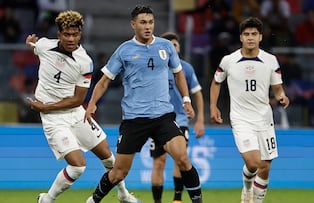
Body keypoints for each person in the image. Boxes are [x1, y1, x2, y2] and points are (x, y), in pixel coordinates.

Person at [84, 5, 203, 203]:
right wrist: (91, 103)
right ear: (133, 25)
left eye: (150, 22)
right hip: (134, 119)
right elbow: (104, 80)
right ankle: (93, 200)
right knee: (118, 173)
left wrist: (186, 99)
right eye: (143, 23)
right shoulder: (124, 50)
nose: (148, 26)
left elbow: (178, 73)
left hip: (163, 117)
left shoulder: (165, 46)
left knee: (182, 158)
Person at [24, 10, 139, 203]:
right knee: (77, 167)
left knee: (110, 159)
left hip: (75, 113)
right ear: (59, 34)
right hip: (54, 120)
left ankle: (123, 195)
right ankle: (47, 199)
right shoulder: (44, 46)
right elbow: (35, 46)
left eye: (75, 34)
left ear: (80, 34)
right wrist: (30, 44)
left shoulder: (84, 62)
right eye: (67, 34)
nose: (71, 39)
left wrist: (45, 107)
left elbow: (78, 100)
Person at [209, 17, 289, 203]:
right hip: (240, 118)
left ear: (260, 37)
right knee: (253, 163)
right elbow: (216, 82)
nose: (250, 37)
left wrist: (281, 96)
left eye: (254, 34)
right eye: (247, 34)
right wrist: (213, 106)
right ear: (241, 37)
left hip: (264, 118)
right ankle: (246, 188)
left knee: (265, 167)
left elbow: (277, 87)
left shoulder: (270, 60)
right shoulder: (229, 60)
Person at [150, 32, 205, 203]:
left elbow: (197, 92)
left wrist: (201, 119)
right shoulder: (153, 66)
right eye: (169, 44)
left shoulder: (186, 68)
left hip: (180, 120)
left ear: (179, 48)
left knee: (180, 157)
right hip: (157, 120)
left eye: (175, 45)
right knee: (158, 162)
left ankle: (177, 199)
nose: (172, 48)